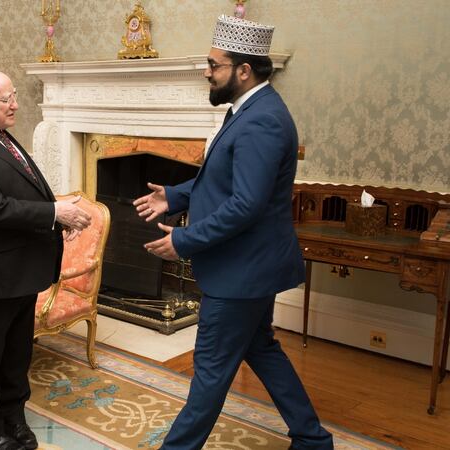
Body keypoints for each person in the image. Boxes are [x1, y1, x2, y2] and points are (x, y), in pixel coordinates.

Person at [134, 15, 334, 450]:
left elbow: (246, 204)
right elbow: (222, 180)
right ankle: (312, 439)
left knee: (209, 371)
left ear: (244, 70)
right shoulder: (247, 110)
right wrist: (175, 195)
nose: (207, 72)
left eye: (214, 64)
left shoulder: (261, 120)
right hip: (250, 268)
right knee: (261, 348)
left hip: (242, 272)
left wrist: (183, 240)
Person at [0, 68, 92, 450]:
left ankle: (14, 415)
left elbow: (26, 193)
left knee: (16, 353)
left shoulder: (1, 137)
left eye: (13, 96)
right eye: (6, 98)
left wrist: (61, 215)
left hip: (22, 269)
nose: (15, 104)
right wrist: (54, 214)